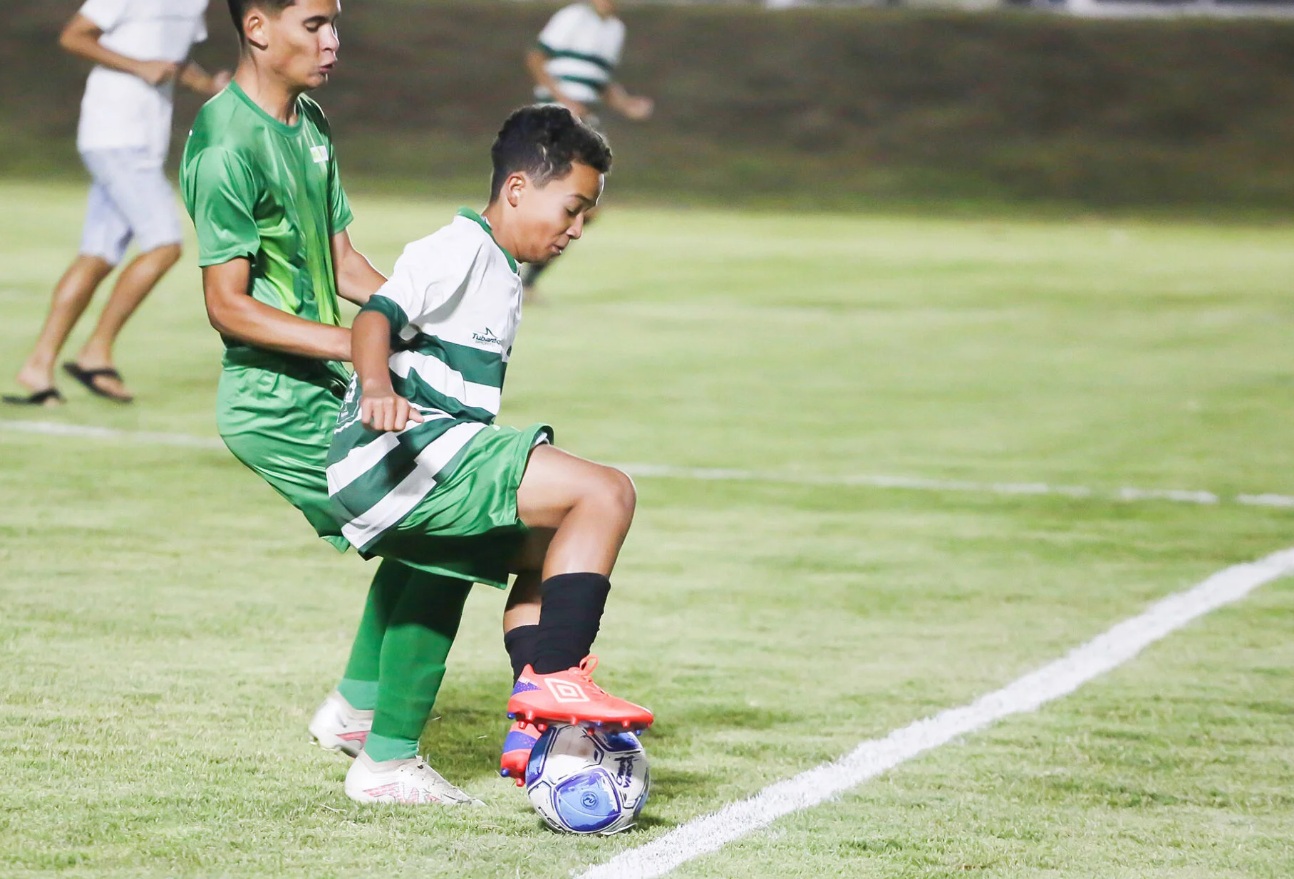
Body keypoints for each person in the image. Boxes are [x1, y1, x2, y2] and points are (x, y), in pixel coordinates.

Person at [181, 0, 478, 807]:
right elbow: (228, 306)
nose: (333, 40)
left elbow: (343, 262)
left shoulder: (308, 122)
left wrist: (421, 324)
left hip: (322, 385)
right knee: (454, 528)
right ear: (257, 28)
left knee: (432, 525)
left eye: (335, 22)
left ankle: (355, 710)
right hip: (275, 401)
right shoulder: (225, 143)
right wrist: (361, 345)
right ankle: (385, 762)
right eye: (314, 23)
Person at [327, 103, 654, 797]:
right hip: (407, 457)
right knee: (605, 493)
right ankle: (554, 681)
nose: (577, 229)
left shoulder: (501, 267)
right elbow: (375, 316)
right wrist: (377, 387)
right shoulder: (459, 248)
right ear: (516, 189)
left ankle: (536, 721)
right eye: (572, 209)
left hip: (428, 461)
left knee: (553, 545)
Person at [4, 0, 228, 407]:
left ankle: (37, 366)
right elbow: (74, 35)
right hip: (113, 133)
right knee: (164, 244)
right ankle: (96, 352)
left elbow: (173, 60)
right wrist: (137, 66)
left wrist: (208, 85)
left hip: (144, 140)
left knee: (98, 255)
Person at [519, 0, 653, 299]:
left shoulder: (615, 30)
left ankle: (522, 281)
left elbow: (601, 82)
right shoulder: (573, 17)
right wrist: (563, 99)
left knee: (583, 210)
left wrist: (626, 105)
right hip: (555, 118)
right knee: (560, 203)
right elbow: (536, 57)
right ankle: (515, 280)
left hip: (583, 123)